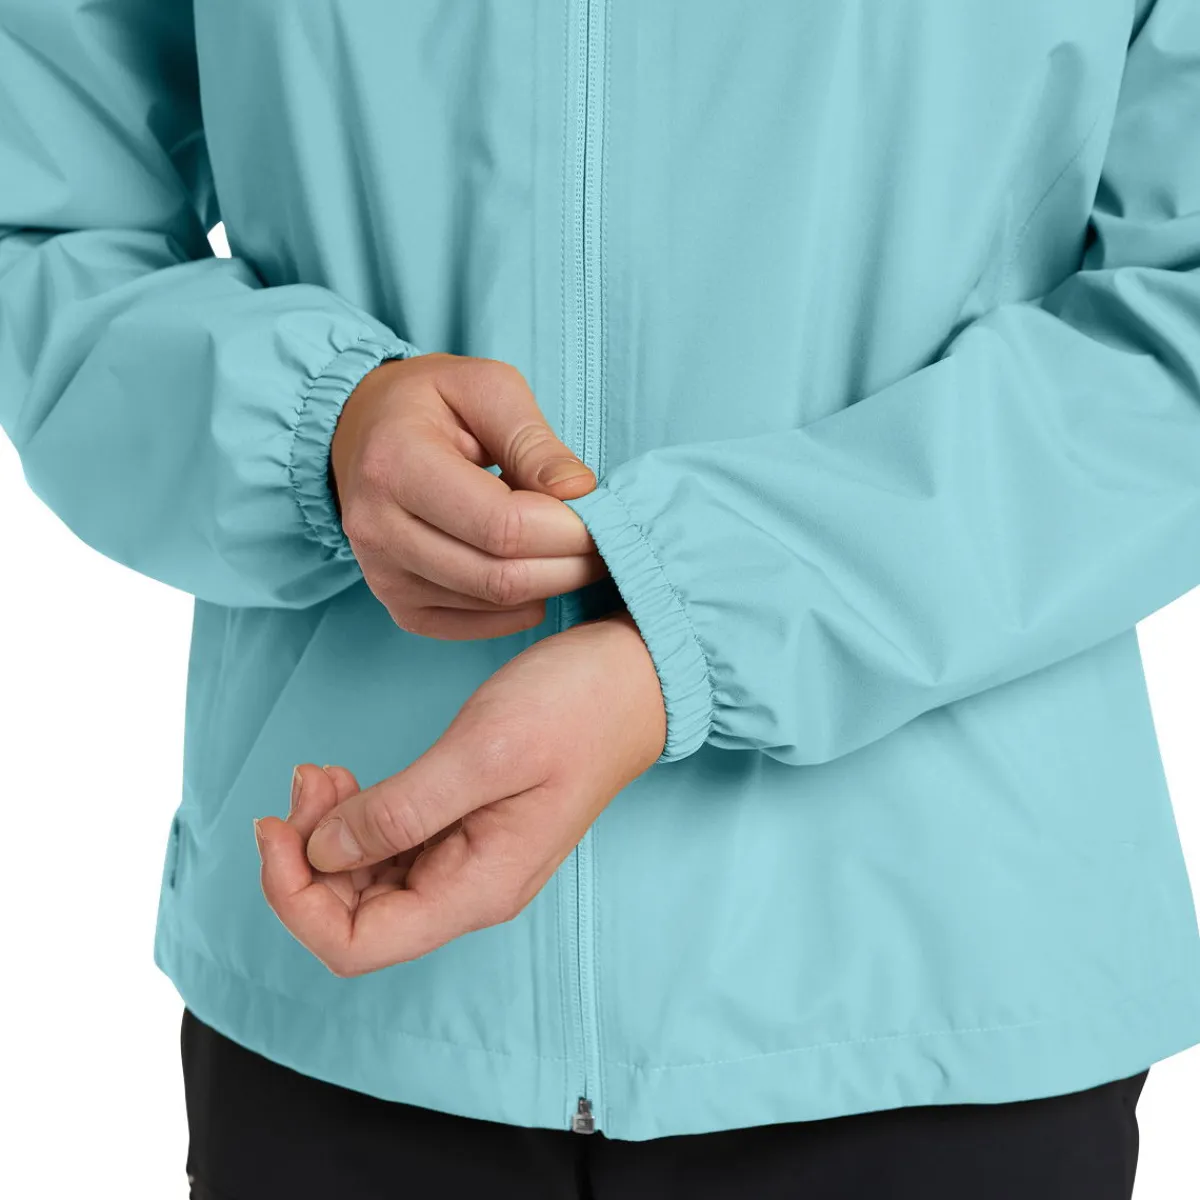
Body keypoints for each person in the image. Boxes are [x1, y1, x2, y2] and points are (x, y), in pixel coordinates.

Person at [1, 0, 1198, 1196]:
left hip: (938, 1002)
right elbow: (45, 220)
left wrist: (698, 618)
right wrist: (321, 431)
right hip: (354, 956)